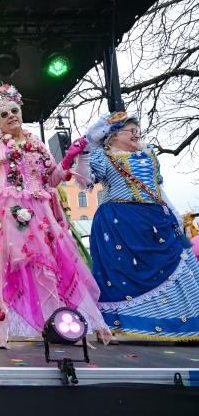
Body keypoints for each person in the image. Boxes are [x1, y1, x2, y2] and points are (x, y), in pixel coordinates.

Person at [0, 83, 110, 348]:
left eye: (14, 111)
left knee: (49, 265)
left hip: (40, 212)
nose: (11, 116)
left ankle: (53, 323)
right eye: (3, 114)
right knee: (4, 267)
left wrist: (68, 161)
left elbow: (51, 180)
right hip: (8, 213)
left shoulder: (37, 145)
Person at [76, 111, 199, 341]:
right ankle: (124, 323)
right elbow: (84, 182)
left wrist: (173, 213)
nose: (136, 134)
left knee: (179, 261)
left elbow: (158, 188)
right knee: (122, 273)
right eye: (130, 130)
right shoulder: (103, 156)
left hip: (155, 218)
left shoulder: (149, 154)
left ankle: (184, 323)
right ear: (113, 136)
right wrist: (85, 149)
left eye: (137, 130)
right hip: (120, 221)